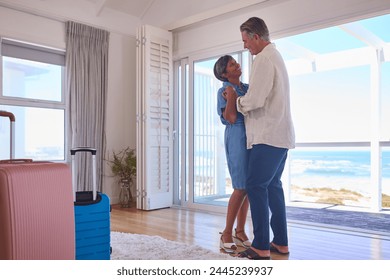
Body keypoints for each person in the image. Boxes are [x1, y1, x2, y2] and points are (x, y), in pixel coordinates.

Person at [225, 17, 295, 260]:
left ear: (256, 36)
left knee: (255, 185)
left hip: (267, 136)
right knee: (273, 187)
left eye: (246, 41)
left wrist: (235, 99)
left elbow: (255, 100)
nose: (245, 46)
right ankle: (281, 243)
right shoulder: (276, 56)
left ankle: (261, 246)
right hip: (281, 136)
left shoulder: (264, 59)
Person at [213, 55, 252, 253]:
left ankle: (241, 230)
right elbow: (230, 117)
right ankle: (227, 233)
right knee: (240, 186)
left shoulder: (246, 88)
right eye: (232, 64)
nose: (237, 64)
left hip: (252, 136)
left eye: (235, 62)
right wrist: (230, 93)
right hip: (236, 135)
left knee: (247, 188)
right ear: (224, 74)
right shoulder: (224, 91)